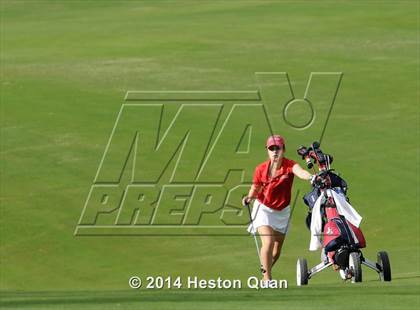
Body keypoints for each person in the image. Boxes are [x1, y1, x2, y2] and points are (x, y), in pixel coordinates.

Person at [242, 135, 314, 281]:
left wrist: (311, 177)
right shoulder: (261, 169)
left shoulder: (289, 165)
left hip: (282, 211)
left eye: (278, 148)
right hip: (264, 209)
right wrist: (249, 197)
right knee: (267, 242)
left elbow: (301, 172)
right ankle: (267, 278)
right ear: (267, 151)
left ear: (283, 149)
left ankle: (264, 274)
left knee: (276, 252)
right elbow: (256, 186)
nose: (275, 152)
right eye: (271, 149)